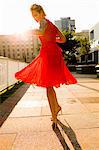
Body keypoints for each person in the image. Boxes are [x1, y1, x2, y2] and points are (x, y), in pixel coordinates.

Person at [15, 4, 77, 129]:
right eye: (33, 16)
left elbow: (41, 31)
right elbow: (63, 39)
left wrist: (29, 31)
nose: (35, 18)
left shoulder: (43, 22)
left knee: (48, 86)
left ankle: (54, 115)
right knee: (50, 86)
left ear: (42, 12)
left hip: (48, 55)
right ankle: (56, 108)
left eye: (36, 15)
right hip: (54, 54)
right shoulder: (52, 24)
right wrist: (54, 40)